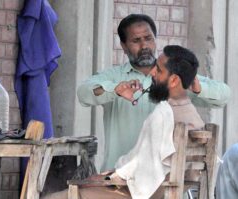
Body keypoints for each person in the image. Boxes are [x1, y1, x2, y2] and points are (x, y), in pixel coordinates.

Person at [44, 45, 205, 199]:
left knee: (55, 197)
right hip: (162, 190)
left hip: (140, 192)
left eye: (159, 70)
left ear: (174, 80)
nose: (153, 73)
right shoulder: (193, 116)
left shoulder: (164, 113)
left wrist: (107, 178)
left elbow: (139, 166)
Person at [77, 14, 231, 171]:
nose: (144, 46)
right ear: (123, 46)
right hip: (120, 180)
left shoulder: (173, 77)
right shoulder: (114, 77)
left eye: (148, 38)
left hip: (166, 182)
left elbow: (224, 95)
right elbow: (84, 93)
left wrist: (198, 87)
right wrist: (114, 90)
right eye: (136, 41)